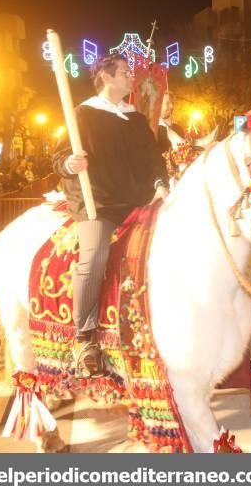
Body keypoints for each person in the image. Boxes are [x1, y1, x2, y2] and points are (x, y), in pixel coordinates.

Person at [52, 53, 169, 378]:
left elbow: (152, 159)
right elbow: (60, 155)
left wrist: (160, 183)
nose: (132, 76)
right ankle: (84, 336)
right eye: (125, 72)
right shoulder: (84, 114)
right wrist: (69, 164)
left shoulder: (134, 118)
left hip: (136, 200)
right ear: (106, 77)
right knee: (95, 255)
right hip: (97, 202)